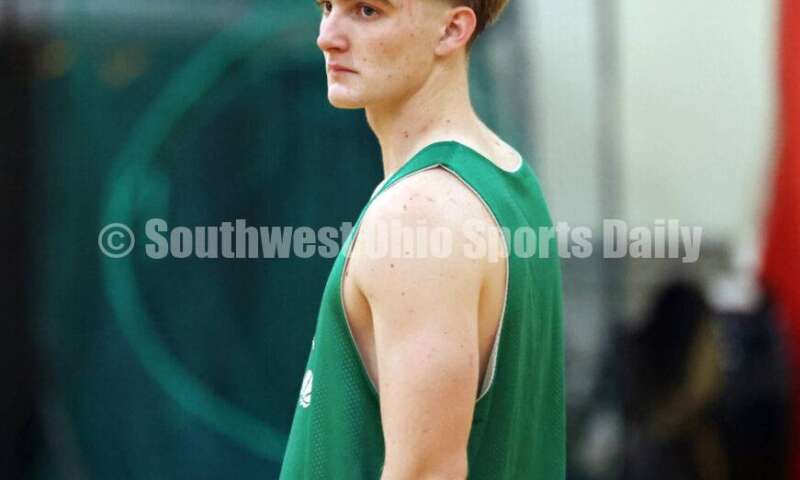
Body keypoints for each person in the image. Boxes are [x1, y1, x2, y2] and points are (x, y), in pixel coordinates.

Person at [280, 1, 565, 478]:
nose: (327, 35)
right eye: (328, 6)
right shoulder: (505, 174)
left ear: (452, 29)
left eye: (367, 10)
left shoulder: (420, 216)